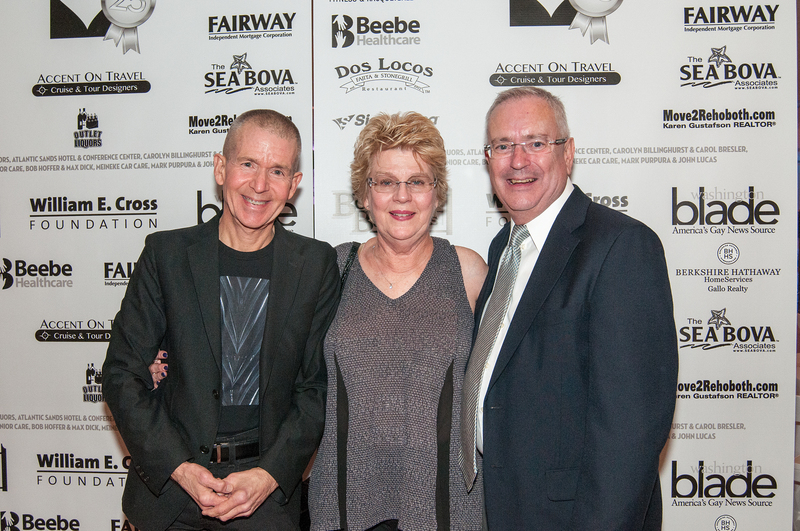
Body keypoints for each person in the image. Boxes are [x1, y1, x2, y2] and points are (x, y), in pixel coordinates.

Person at [102, 109, 339, 531]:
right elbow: (122, 374)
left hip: (264, 496)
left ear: (294, 185)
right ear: (221, 167)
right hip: (170, 496)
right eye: (248, 164)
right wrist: (179, 467)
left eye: (277, 170)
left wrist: (268, 476)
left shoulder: (317, 264)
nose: (260, 185)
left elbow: (316, 387)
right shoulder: (166, 255)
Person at [460, 87, 678, 530]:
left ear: (569, 152)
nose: (518, 160)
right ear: (488, 158)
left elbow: (630, 433)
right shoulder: (505, 247)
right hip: (504, 507)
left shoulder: (620, 246)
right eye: (503, 145)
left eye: (537, 143)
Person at [309, 112, 487, 530]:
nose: (402, 196)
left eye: (418, 181)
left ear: (437, 194)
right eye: (386, 181)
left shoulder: (468, 271)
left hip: (447, 507)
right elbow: (280, 366)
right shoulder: (331, 269)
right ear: (365, 195)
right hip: (343, 503)